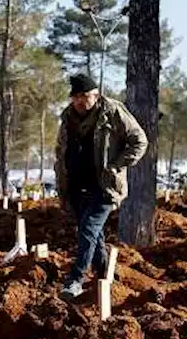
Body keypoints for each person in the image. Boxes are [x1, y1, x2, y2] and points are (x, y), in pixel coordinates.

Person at [54, 72, 149, 299]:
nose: (79, 101)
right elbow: (60, 152)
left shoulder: (112, 111)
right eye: (75, 96)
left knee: (88, 229)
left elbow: (139, 140)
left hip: (104, 186)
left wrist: (116, 166)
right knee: (92, 235)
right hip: (76, 185)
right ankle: (104, 275)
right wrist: (62, 184)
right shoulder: (67, 117)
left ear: (95, 95)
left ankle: (75, 280)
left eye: (84, 96)